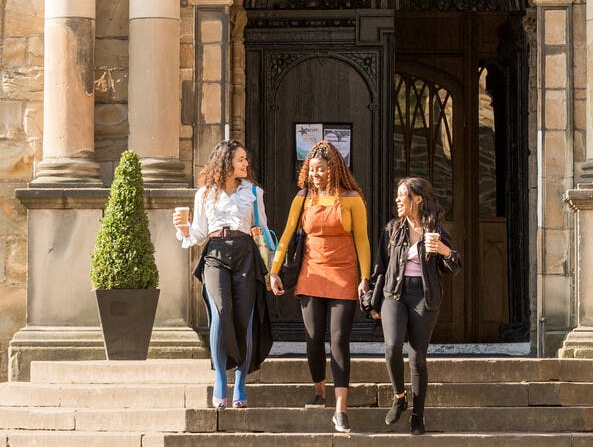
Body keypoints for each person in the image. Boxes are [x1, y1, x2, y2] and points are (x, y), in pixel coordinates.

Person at [267, 141, 371, 433]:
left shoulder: (352, 198)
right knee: (313, 338)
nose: (315, 174)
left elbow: (362, 239)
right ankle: (319, 389)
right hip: (311, 274)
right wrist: (274, 271)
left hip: (344, 274)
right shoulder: (303, 198)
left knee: (338, 340)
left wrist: (365, 278)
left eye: (321, 169)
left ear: (333, 169)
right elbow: (287, 234)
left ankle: (341, 409)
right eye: (311, 169)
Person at [173, 140, 274, 409]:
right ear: (226, 162)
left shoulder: (254, 192)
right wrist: (183, 228)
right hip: (215, 253)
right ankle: (220, 378)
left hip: (246, 254)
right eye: (241, 159)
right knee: (220, 311)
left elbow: (262, 230)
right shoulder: (204, 194)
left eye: (245, 159)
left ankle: (240, 379)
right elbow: (197, 235)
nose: (246, 163)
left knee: (245, 318)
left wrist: (272, 268)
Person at [372, 177, 462, 435]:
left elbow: (453, 266)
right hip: (395, 293)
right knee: (391, 347)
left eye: (402, 195)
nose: (397, 200)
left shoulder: (436, 230)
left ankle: (417, 415)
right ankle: (399, 396)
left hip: (424, 295)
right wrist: (372, 298)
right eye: (397, 195)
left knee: (417, 358)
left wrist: (444, 251)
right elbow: (381, 265)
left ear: (417, 199)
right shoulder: (392, 229)